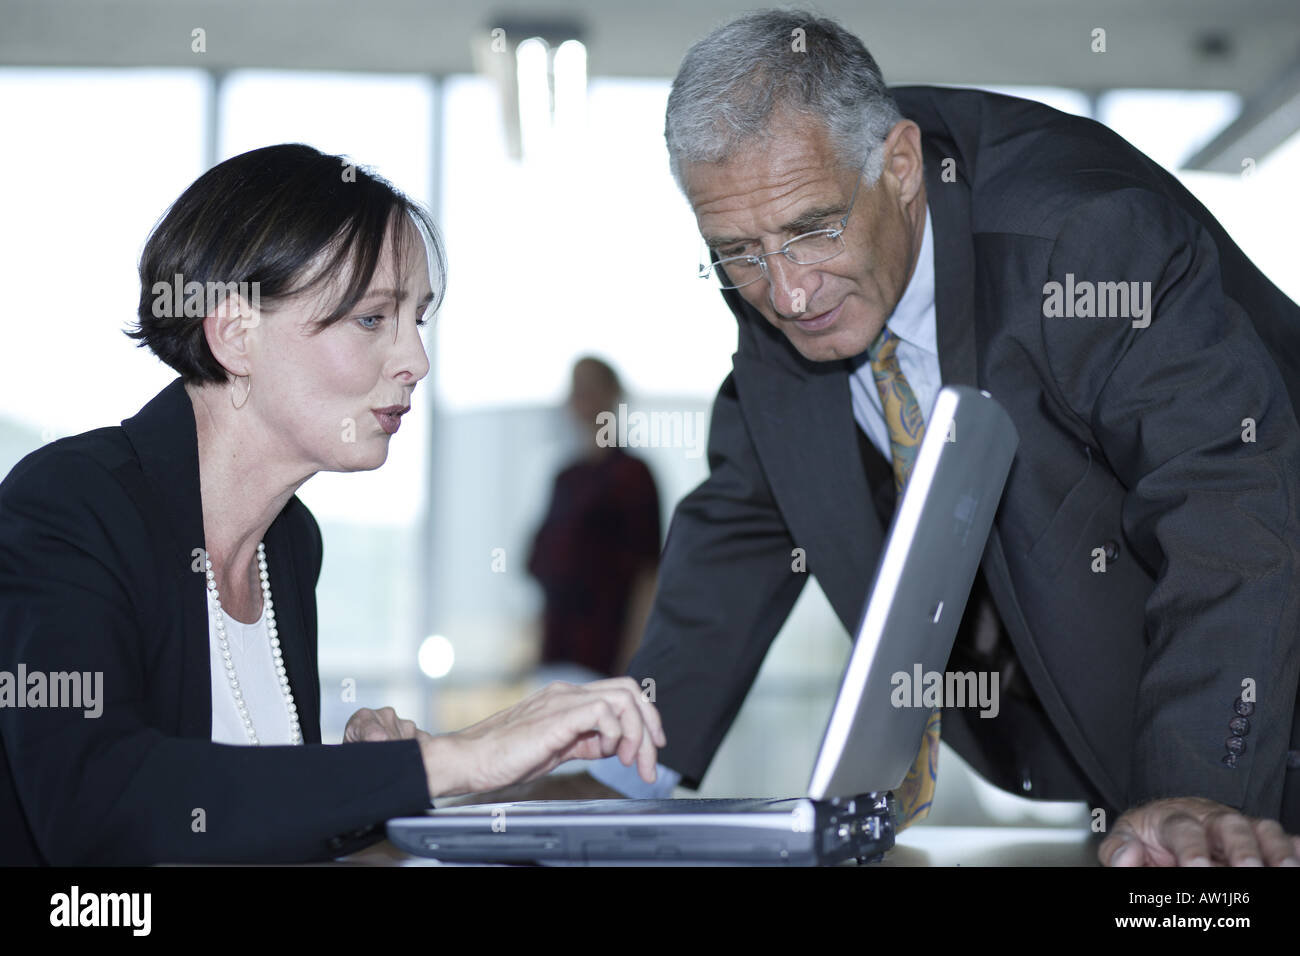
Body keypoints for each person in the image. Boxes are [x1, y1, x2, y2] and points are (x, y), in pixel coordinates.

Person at [508, 10, 1300, 867]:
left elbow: (1226, 504)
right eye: (736, 251)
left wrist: (1197, 783)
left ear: (900, 165)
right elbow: (744, 518)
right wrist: (624, 774)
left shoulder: (1083, 240)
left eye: (814, 230)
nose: (788, 293)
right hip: (1125, 766)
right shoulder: (782, 256)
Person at [0, 143, 664, 865]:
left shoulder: (290, 543)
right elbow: (100, 805)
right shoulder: (71, 503)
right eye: (374, 319)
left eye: (419, 319)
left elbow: (234, 818)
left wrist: (366, 782)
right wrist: (450, 760)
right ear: (234, 333)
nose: (416, 359)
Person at [527, 356, 661, 681]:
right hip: (556, 657)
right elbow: (545, 575)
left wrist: (630, 665)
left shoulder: (632, 476)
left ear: (611, 396)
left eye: (588, 388)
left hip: (603, 659)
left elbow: (649, 576)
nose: (579, 397)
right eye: (575, 389)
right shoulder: (566, 478)